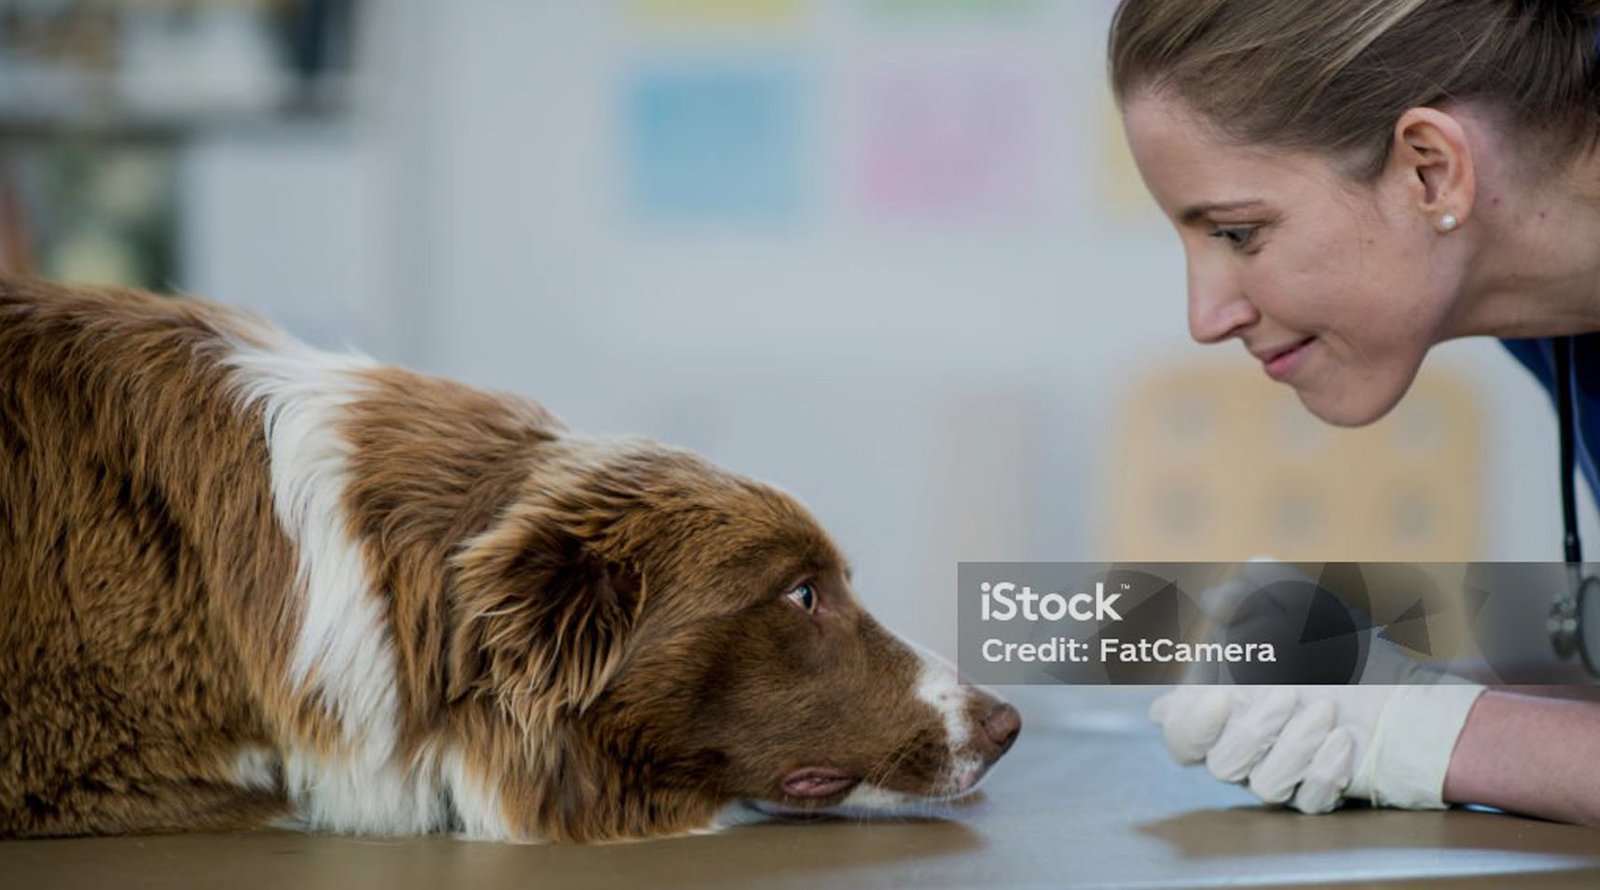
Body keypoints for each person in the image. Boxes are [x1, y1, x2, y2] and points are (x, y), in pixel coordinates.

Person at [1109, 0, 1600, 827]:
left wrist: (1427, 734)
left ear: (1430, 171)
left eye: (1236, 233)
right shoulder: (1551, 319)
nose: (1205, 317)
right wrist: (1361, 689)